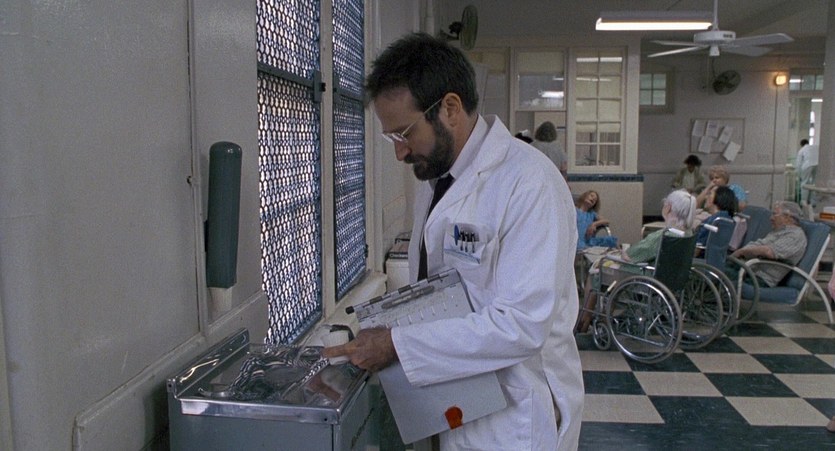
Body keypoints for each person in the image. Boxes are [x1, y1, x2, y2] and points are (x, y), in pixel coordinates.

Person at [322, 33, 583, 450]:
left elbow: (522, 325)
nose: (400, 153)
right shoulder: (438, 179)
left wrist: (397, 344)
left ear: (450, 108)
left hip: (514, 418)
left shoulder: (529, 183)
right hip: (458, 399)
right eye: (392, 138)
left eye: (404, 133)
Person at [576, 189, 696, 333]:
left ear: (669, 207)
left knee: (598, 270)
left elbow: (630, 256)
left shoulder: (662, 236)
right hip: (672, 278)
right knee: (610, 269)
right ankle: (601, 316)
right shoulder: (687, 233)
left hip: (646, 277)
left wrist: (622, 251)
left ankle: (586, 318)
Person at [728, 201, 807, 288]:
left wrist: (741, 252)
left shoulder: (795, 236)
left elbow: (768, 252)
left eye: (774, 214)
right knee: (718, 267)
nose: (771, 218)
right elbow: (759, 245)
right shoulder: (778, 231)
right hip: (746, 269)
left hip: (758, 278)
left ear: (787, 217)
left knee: (720, 275)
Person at [796, 139, 819, 205]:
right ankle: (813, 201)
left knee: (805, 183)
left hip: (807, 165)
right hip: (817, 165)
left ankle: (804, 201)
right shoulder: (815, 147)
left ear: (801, 145)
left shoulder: (802, 150)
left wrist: (798, 174)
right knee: (815, 184)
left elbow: (798, 163)